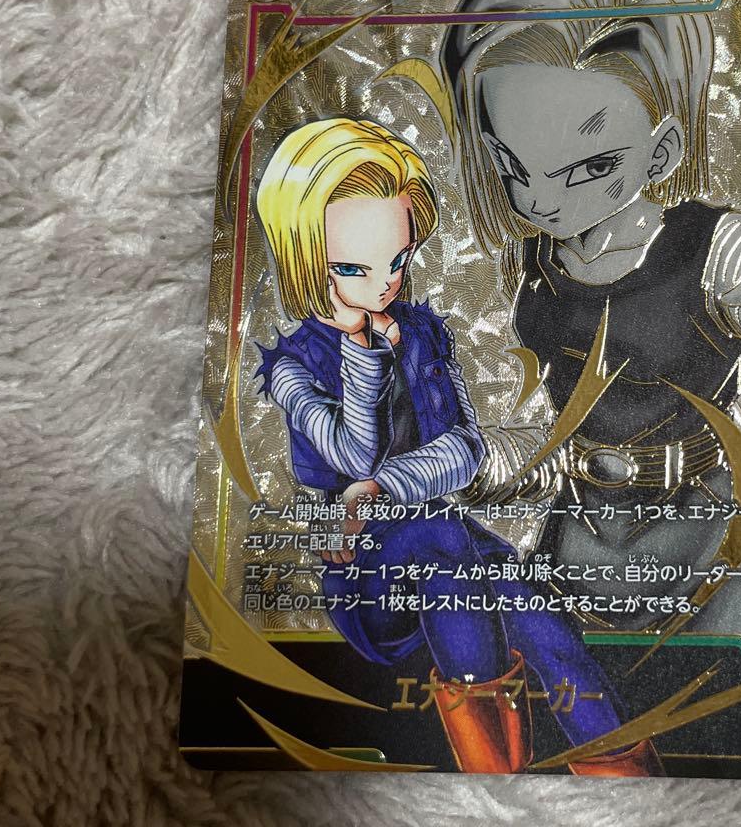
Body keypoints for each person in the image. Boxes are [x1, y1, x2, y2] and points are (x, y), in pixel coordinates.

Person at [397, 0, 741, 639]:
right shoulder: (529, 259)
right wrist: (467, 461)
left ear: (662, 152)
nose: (540, 200)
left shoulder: (718, 248)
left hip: (706, 538)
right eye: (513, 168)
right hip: (577, 539)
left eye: (588, 167)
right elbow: (553, 421)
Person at [253, 115, 660, 774]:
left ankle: (629, 784)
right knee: (443, 546)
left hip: (449, 547)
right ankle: (492, 788)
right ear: (306, 258)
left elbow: (464, 451)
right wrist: (362, 357)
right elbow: (353, 455)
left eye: (397, 261)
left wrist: (385, 486)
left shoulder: (420, 333)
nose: (384, 284)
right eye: (355, 267)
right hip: (367, 575)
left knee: (542, 624)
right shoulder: (294, 369)